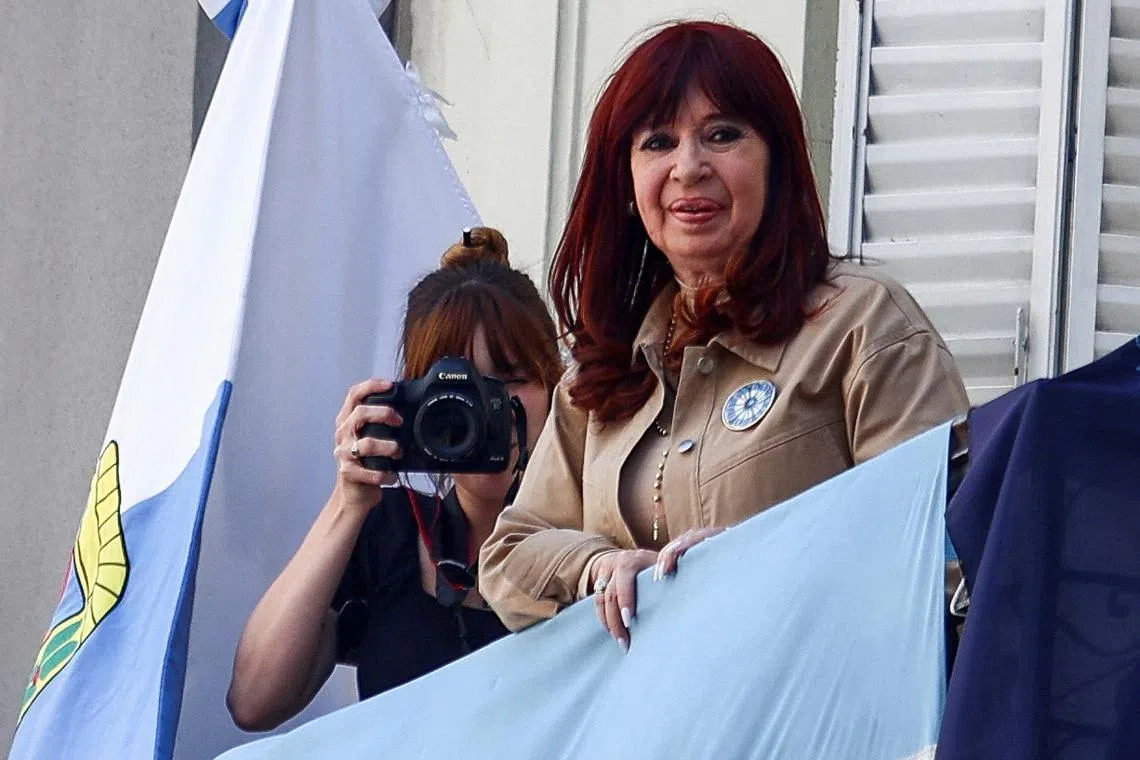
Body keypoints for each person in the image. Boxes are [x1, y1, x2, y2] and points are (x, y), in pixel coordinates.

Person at [478, 21, 971, 651]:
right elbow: (510, 553)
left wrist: (758, 562)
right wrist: (600, 567)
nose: (689, 167)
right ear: (627, 183)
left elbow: (943, 545)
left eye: (722, 135)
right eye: (658, 141)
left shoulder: (864, 323)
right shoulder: (602, 371)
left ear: (777, 160)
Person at [226, 228, 562, 731]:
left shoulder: (595, 525)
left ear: (556, 383)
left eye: (511, 380)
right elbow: (255, 701)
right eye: (460, 393)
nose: (485, 412)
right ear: (412, 402)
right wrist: (349, 502)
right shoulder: (391, 531)